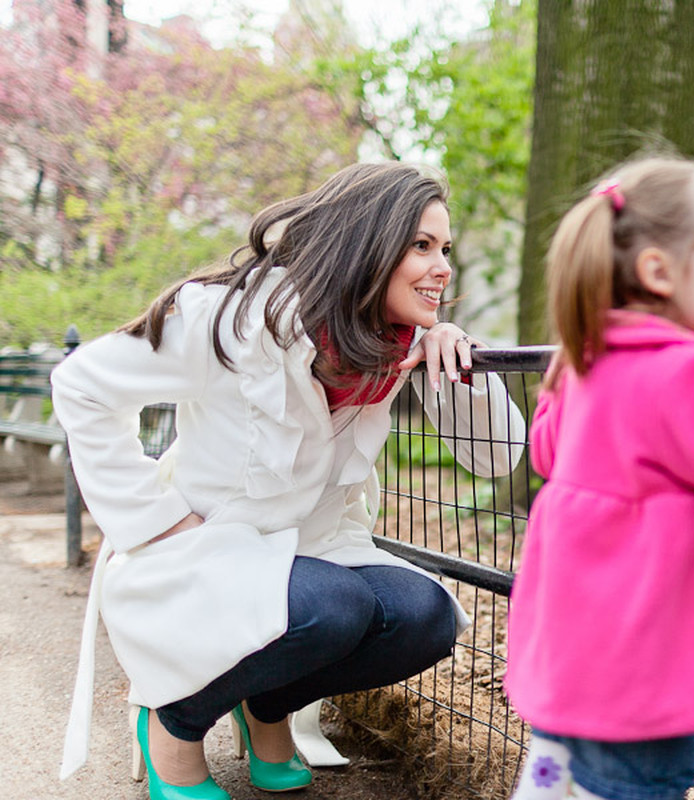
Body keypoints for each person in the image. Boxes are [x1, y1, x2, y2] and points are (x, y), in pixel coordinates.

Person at [52, 162, 526, 800]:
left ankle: (266, 708)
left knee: (425, 617)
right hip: (201, 553)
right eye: (421, 246)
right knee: (336, 605)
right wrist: (155, 522)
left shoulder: (394, 344)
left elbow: (496, 459)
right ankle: (174, 723)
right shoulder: (231, 318)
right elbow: (81, 384)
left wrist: (460, 362)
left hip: (317, 552)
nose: (443, 267)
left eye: (445, 249)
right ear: (366, 242)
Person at [504, 157, 694, 800]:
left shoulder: (591, 363)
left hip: (572, 661)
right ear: (658, 271)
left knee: (554, 787)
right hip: (642, 674)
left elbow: (545, 451)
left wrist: (563, 368)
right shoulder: (674, 371)